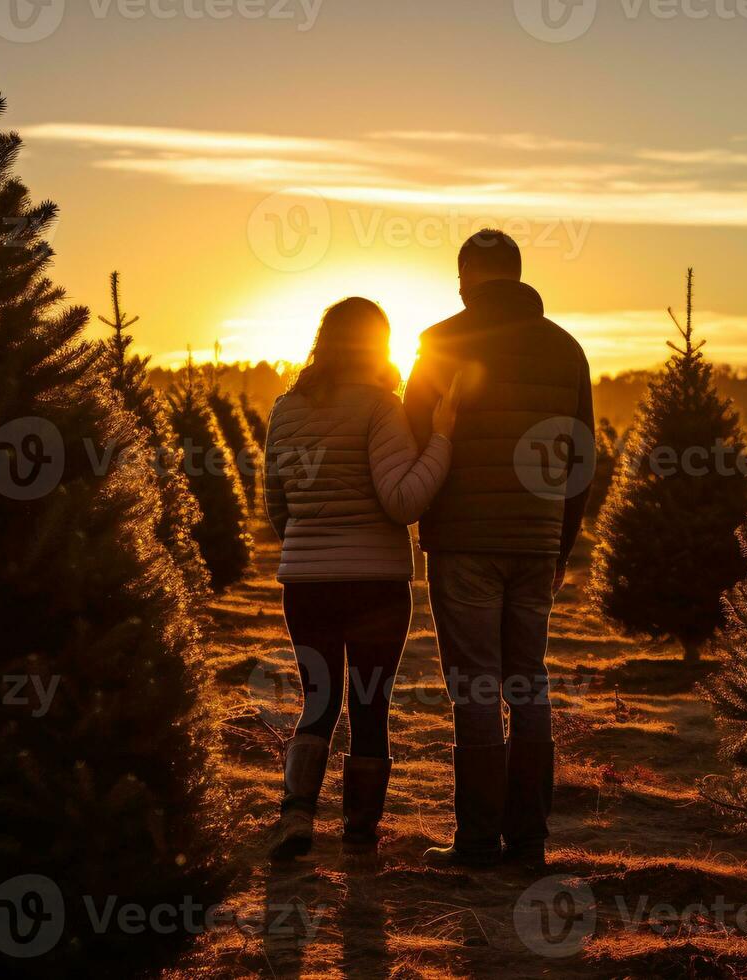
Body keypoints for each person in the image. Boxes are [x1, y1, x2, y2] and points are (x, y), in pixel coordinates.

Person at [404, 229, 594, 870]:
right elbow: (582, 459)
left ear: (467, 277)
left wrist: (420, 514)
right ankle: (531, 840)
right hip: (538, 541)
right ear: (516, 274)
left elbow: (414, 435)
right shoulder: (567, 350)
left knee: (476, 687)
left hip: (464, 542)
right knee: (528, 680)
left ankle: (479, 840)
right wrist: (560, 544)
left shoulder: (439, 341)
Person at [263, 297, 461, 861]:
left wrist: (309, 548)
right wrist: (441, 440)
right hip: (374, 582)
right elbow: (402, 502)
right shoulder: (380, 407)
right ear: (378, 346)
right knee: (369, 703)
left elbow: (278, 504)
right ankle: (359, 834)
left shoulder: (285, 409)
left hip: (305, 583)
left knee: (317, 699)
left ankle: (297, 816)